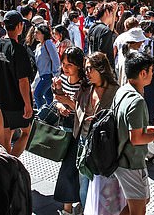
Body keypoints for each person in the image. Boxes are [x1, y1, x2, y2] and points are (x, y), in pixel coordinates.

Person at [113, 51, 154, 215]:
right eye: (151, 70)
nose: (153, 74)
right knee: (139, 209)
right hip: (131, 161)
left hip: (124, 158)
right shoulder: (137, 100)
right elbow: (136, 138)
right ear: (143, 73)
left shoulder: (122, 91)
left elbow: (132, 128)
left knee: (141, 202)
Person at [75, 52, 120, 209]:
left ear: (101, 69)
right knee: (84, 184)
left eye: (90, 69)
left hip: (103, 144)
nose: (87, 73)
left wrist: (99, 121)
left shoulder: (115, 91)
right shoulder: (86, 88)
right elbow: (76, 106)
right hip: (84, 140)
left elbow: (118, 118)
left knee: (103, 185)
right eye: (86, 69)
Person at [0, 10, 34, 156]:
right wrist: (27, 104)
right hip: (17, 102)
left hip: (0, 101)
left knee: (6, 136)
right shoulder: (18, 49)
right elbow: (23, 80)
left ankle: (5, 165)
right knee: (27, 132)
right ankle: (13, 163)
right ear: (20, 25)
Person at [51, 46, 86, 215]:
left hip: (79, 127)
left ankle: (69, 207)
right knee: (69, 165)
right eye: (64, 63)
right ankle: (70, 205)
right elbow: (55, 100)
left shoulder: (84, 84)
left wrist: (65, 100)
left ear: (78, 65)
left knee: (72, 166)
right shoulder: (62, 79)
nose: (65, 67)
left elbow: (83, 109)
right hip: (65, 125)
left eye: (69, 64)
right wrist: (59, 104)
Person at [33, 24, 60, 108]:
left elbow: (55, 59)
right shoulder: (38, 46)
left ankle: (42, 115)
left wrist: (56, 74)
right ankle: (51, 115)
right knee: (49, 98)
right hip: (41, 75)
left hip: (48, 75)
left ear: (43, 34)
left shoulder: (48, 43)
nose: (35, 35)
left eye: (37, 33)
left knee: (37, 95)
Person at [87, 2, 117, 67]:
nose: (113, 16)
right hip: (103, 70)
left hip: (94, 66)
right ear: (106, 12)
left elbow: (110, 30)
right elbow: (103, 55)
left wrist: (114, 12)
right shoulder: (105, 31)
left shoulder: (92, 27)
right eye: (112, 13)